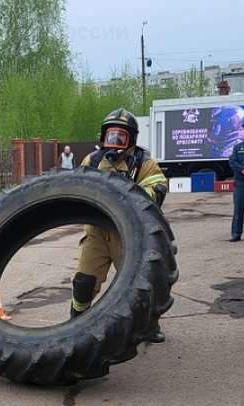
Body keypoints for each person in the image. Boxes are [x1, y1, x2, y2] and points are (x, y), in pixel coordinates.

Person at [70, 108, 169, 343]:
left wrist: (123, 191)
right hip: (96, 232)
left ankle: (149, 325)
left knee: (142, 284)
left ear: (131, 139)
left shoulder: (144, 164)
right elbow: (76, 189)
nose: (114, 142)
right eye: (110, 136)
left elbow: (157, 192)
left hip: (129, 235)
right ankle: (75, 323)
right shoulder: (93, 160)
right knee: (83, 282)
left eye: (120, 137)